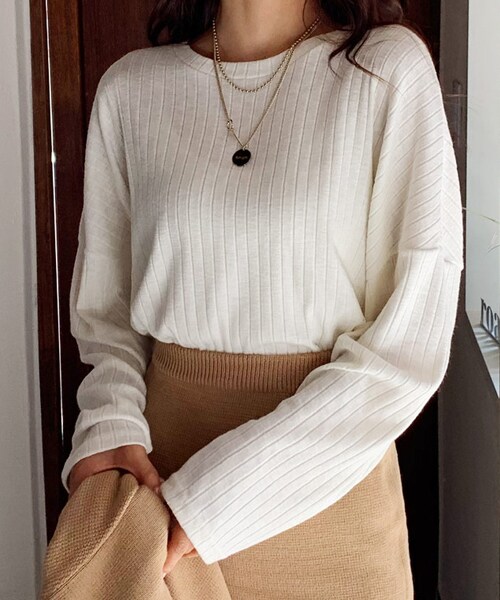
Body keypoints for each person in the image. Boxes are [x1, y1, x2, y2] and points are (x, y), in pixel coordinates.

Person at [60, 0, 464, 597]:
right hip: (158, 499)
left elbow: (407, 347)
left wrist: (213, 502)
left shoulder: (387, 71)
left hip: (331, 508)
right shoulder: (131, 90)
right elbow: (106, 316)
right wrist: (109, 424)